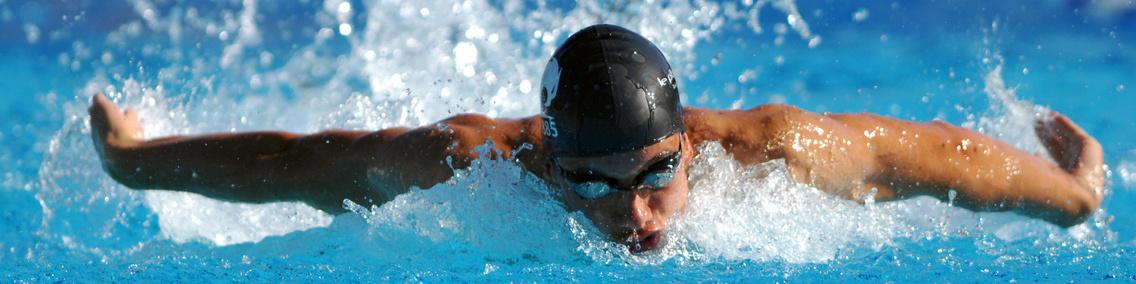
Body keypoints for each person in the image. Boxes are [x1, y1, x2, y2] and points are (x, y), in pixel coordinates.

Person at [89, 24, 1105, 253]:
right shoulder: (481, 163)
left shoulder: (768, 151)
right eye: (592, 185)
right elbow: (303, 163)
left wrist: (1072, 193)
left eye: (654, 176)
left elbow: (928, 157)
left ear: (686, 147)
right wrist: (133, 162)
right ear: (548, 161)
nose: (633, 214)